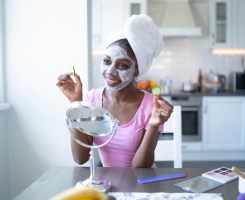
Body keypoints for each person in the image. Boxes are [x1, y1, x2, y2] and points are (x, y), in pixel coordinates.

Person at [56, 14, 173, 168]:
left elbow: (141, 169)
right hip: (108, 184)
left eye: (123, 65)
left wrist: (153, 126)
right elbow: (80, 158)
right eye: (106, 61)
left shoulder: (151, 106)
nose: (110, 71)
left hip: (141, 185)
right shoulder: (92, 100)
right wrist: (75, 104)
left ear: (137, 71)